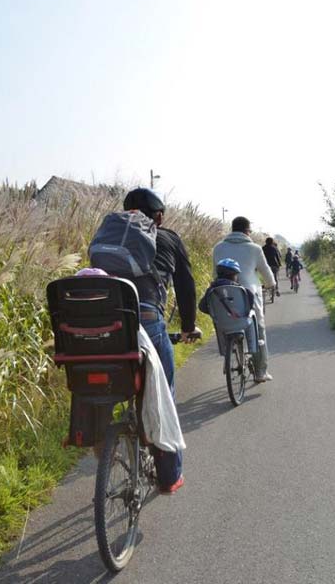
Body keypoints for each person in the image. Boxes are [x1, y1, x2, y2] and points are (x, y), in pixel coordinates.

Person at [121, 187, 201, 494]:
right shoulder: (168, 237)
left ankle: (107, 437)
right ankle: (169, 477)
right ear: (158, 216)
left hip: (105, 321)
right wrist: (190, 326)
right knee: (163, 395)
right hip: (148, 319)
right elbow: (186, 286)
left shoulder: (109, 235)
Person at [212, 216, 275, 382]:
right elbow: (266, 272)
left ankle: (229, 356)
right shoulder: (254, 249)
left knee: (226, 323)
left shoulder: (218, 248)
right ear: (247, 231)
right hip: (249, 295)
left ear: (232, 230)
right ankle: (261, 372)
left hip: (223, 295)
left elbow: (214, 273)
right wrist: (271, 284)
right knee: (258, 329)